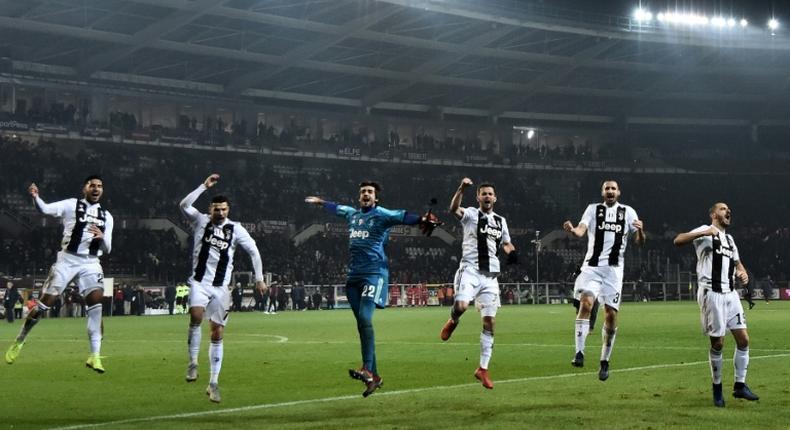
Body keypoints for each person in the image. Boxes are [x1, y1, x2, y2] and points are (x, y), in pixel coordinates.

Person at [305, 180, 439, 397]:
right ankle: (374, 376)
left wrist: (422, 219)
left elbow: (402, 216)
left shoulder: (382, 214)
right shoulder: (352, 214)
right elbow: (336, 208)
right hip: (353, 279)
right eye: (363, 192)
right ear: (359, 197)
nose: (366, 194)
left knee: (366, 319)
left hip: (373, 275)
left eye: (369, 192)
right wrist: (321, 202)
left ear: (376, 198)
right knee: (361, 324)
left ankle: (367, 368)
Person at [5, 175, 114, 373]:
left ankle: (95, 356)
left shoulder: (107, 216)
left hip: (91, 263)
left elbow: (108, 248)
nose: (96, 189)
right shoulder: (71, 205)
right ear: (85, 188)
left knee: (96, 305)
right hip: (67, 260)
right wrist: (36, 197)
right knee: (44, 304)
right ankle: (19, 340)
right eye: (92, 185)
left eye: (100, 186)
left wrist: (101, 238)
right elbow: (45, 209)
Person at [179, 173, 267, 403]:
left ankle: (213, 383)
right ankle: (193, 362)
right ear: (210, 209)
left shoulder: (236, 230)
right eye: (216, 209)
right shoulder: (200, 220)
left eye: (224, 209)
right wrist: (203, 186)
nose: (220, 213)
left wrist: (259, 278)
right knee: (196, 315)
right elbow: (184, 205)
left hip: (221, 288)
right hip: (199, 282)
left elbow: (254, 251)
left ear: (229, 210)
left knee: (217, 333)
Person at [674, 202, 759, 407]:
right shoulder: (705, 231)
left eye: (729, 209)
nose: (728, 211)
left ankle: (739, 385)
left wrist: (742, 272)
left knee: (744, 339)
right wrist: (702, 233)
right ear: (713, 214)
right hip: (712, 293)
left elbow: (738, 262)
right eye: (723, 209)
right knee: (718, 343)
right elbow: (678, 240)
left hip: (731, 295)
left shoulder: (729, 239)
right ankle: (717, 388)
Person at [439, 178, 517, 390]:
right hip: (471, 270)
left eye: (490, 194)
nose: (487, 197)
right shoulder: (471, 214)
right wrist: (461, 189)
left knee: (490, 322)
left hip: (490, 277)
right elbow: (453, 208)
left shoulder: (500, 221)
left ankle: (482, 368)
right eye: (483, 193)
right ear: (478, 197)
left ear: (495, 197)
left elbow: (506, 242)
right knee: (462, 306)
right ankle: (453, 320)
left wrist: (512, 253)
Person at [562, 180, 644, 381]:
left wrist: (641, 230)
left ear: (618, 192)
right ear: (602, 192)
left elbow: (639, 242)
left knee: (610, 316)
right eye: (607, 188)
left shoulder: (628, 212)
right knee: (586, 302)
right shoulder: (592, 210)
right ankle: (579, 353)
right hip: (592, 268)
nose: (610, 191)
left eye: (613, 188)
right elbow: (581, 231)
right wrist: (572, 231)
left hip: (614, 272)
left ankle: (604, 362)